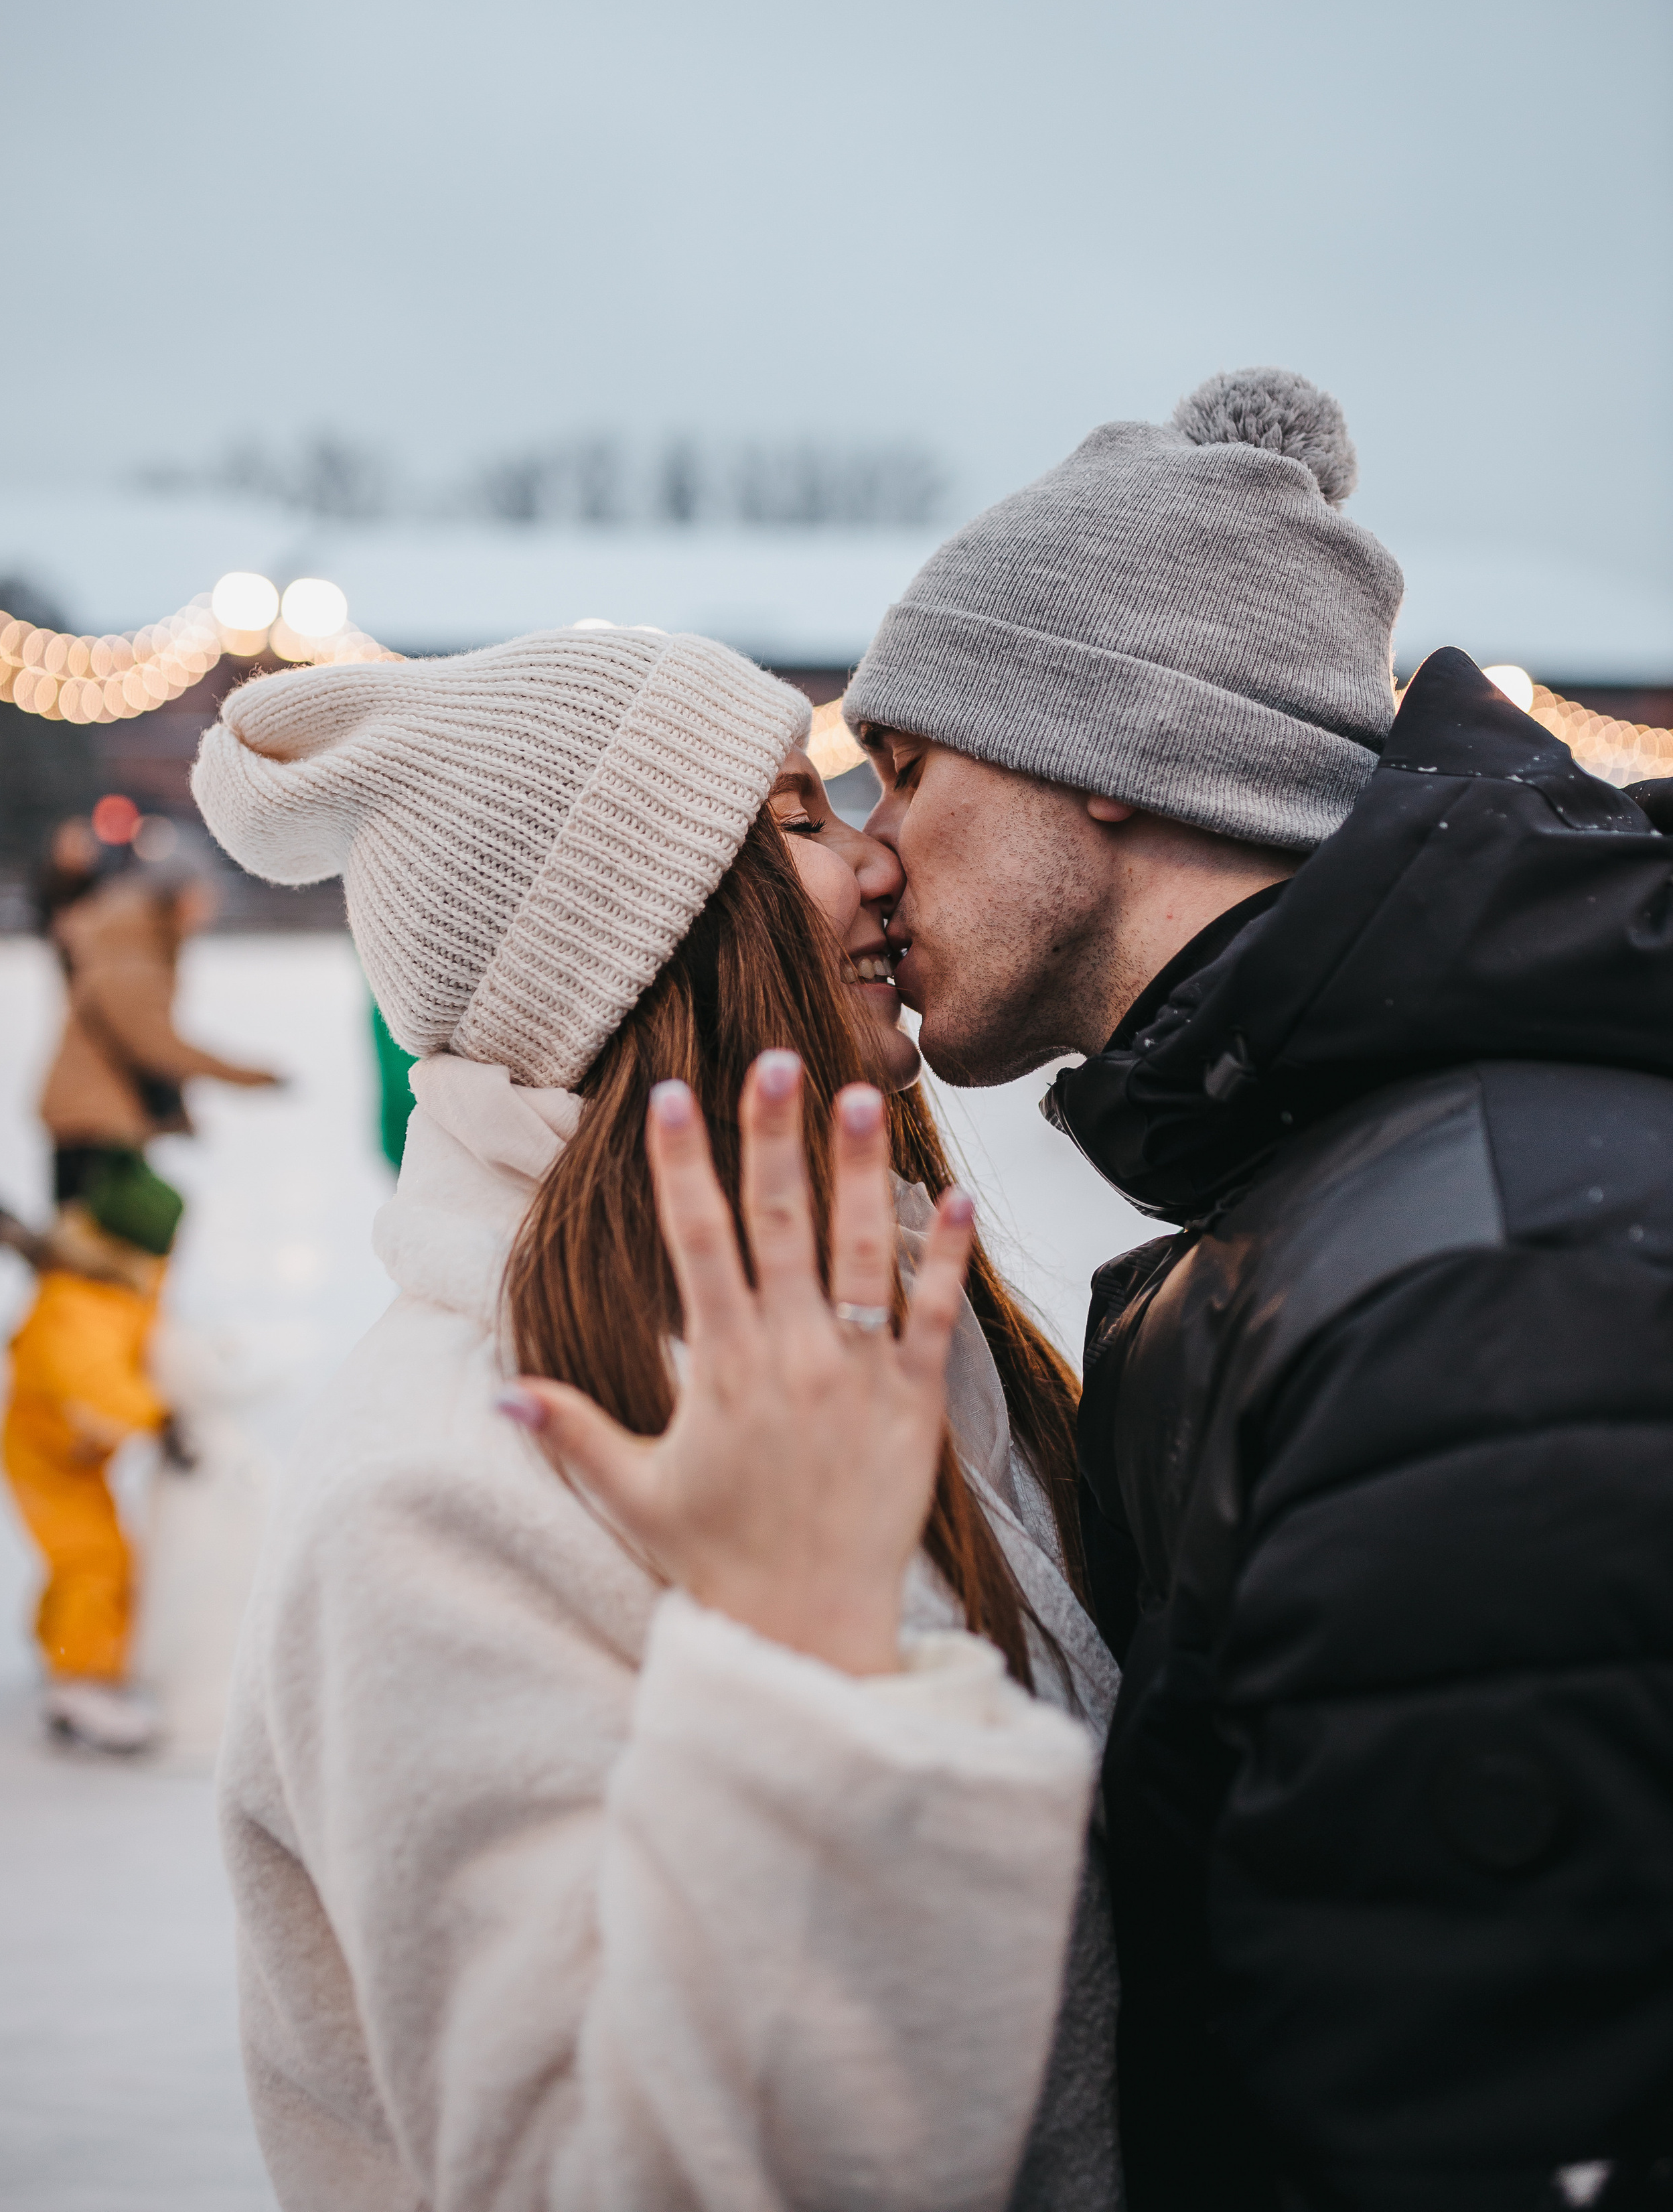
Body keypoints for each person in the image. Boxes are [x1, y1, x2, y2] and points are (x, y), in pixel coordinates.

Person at [842, 365, 1673, 2210]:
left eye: (905, 769)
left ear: (1107, 754)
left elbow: (1467, 2126)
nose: (870, 852)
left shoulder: (1475, 1302)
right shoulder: (1334, 1197)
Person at [192, 627, 1118, 2212]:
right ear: (645, 937)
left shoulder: (890, 1317)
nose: (875, 862)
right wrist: (808, 1666)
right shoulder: (443, 1486)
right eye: (794, 825)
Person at [0, 867, 282, 1752]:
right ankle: (80, 1684)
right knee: (95, 1557)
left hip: (54, 1423)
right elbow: (148, 1036)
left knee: (84, 1549)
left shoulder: (136, 939)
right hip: (49, 1433)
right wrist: (158, 1419)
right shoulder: (130, 947)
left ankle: (62, 1650)